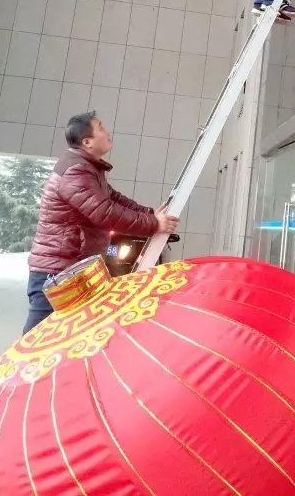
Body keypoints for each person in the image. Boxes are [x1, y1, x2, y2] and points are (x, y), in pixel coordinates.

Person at [23, 111, 178, 333]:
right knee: (37, 343)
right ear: (87, 142)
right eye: (101, 128)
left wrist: (149, 213)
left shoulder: (87, 167)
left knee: (64, 341)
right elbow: (104, 212)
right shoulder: (76, 171)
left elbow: (113, 198)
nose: (107, 132)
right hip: (57, 274)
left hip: (70, 271)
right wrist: (153, 224)